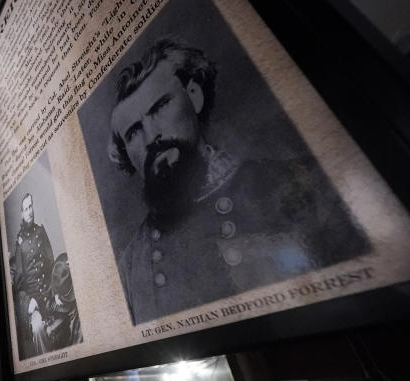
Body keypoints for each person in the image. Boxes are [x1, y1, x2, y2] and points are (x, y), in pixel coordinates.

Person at [107, 38, 370, 324]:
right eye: (133, 132)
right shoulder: (132, 263)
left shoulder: (296, 180)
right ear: (127, 156)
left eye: (160, 107)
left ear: (194, 96)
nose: (151, 135)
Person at [9, 193, 55, 358]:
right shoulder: (20, 243)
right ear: (22, 213)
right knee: (37, 327)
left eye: (31, 207)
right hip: (34, 302)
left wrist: (53, 291)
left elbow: (51, 264)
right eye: (25, 209)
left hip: (48, 294)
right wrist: (30, 302)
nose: (29, 211)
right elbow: (19, 285)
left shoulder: (41, 231)